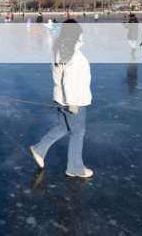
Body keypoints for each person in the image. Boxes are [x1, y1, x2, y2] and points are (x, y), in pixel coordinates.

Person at [29, 20, 94, 178]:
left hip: (61, 98)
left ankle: (39, 149)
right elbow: (69, 81)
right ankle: (75, 168)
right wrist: (72, 102)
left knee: (63, 127)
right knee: (78, 133)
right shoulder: (73, 54)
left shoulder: (59, 49)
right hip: (73, 100)